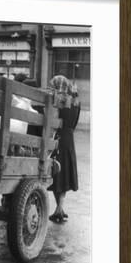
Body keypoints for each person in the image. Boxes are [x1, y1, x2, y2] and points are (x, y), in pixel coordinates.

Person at [48, 75, 81, 224]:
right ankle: (60, 209)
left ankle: (59, 208)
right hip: (69, 139)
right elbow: (75, 123)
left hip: (58, 138)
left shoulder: (57, 100)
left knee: (57, 175)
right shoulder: (76, 101)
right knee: (65, 174)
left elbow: (52, 120)